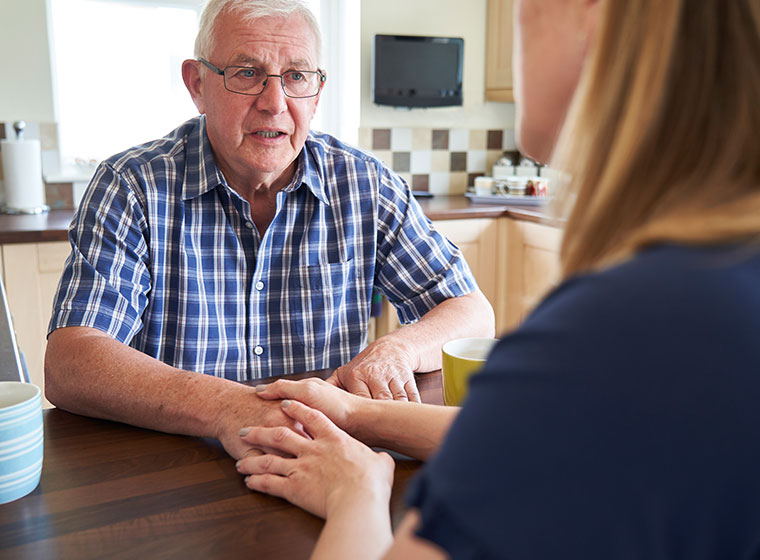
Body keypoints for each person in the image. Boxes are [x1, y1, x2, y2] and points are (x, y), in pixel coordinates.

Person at [233, 0, 760, 558]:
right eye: (246, 73)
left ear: (594, 19)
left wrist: (357, 491)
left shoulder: (635, 323)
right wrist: (358, 417)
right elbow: (556, 434)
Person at [43, 0, 494, 461]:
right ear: (197, 85)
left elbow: (470, 311)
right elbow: (71, 363)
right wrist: (226, 407)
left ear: (317, 94)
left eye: (296, 77)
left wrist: (397, 349)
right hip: (174, 467)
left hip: (326, 459)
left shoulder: (365, 184)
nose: (274, 103)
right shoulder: (132, 185)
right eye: (246, 73)